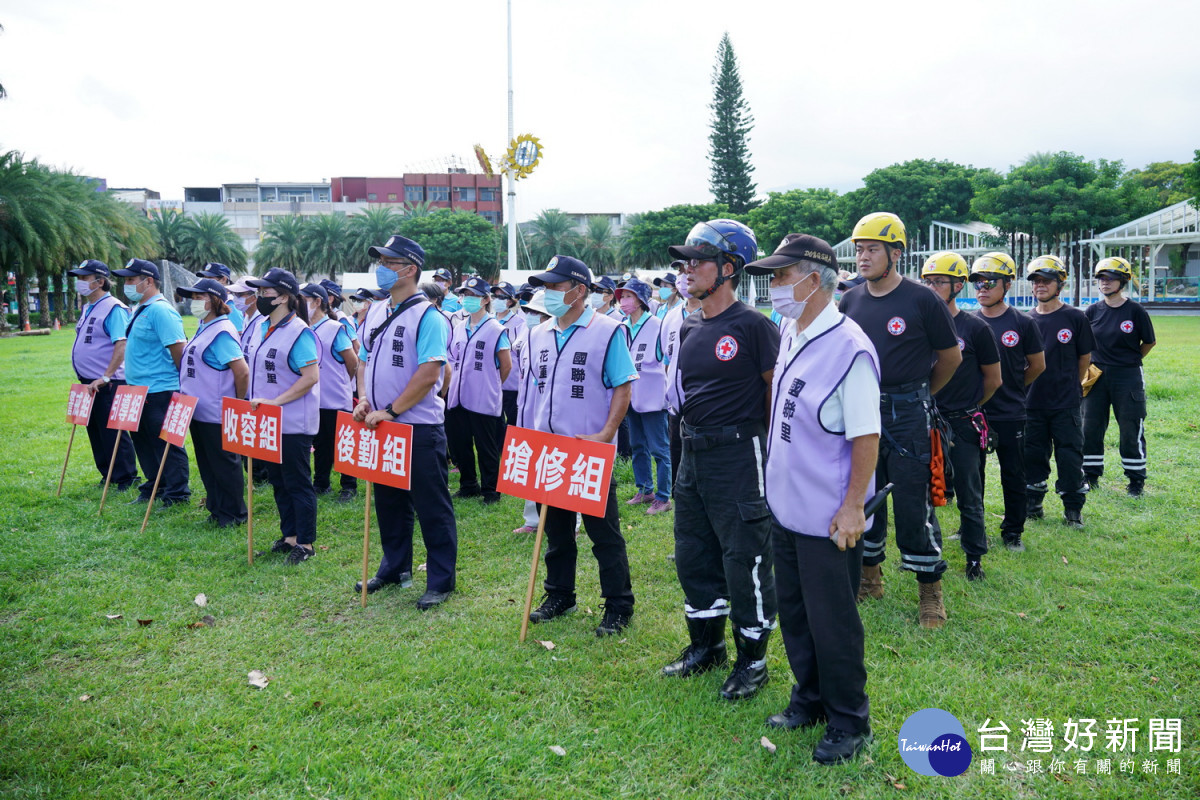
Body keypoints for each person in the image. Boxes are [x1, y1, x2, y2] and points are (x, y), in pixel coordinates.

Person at [749, 233, 879, 765]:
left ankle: (850, 720)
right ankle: (810, 698)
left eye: (781, 276)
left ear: (814, 279)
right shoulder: (792, 328)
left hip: (829, 514)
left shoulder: (850, 348)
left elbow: (865, 435)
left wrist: (852, 506)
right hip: (787, 504)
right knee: (796, 612)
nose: (774, 286)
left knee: (834, 621)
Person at [663, 218, 779, 700]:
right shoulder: (690, 322)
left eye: (698, 260)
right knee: (694, 549)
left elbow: (777, 393)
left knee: (745, 555)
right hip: (693, 452)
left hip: (739, 454)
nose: (686, 269)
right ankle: (705, 648)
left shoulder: (754, 326)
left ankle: (753, 660)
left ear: (729, 268)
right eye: (684, 260)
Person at [837, 214, 961, 629]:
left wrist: (920, 395)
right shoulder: (850, 300)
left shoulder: (922, 299)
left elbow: (950, 358)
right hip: (861, 411)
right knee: (864, 493)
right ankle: (870, 579)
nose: (863, 257)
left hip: (909, 413)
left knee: (913, 501)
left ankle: (930, 592)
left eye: (872, 249)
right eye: (859, 249)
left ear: (895, 253)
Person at [520, 255, 638, 637]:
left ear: (579, 291)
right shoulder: (538, 333)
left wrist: (606, 433)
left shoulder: (607, 331)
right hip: (548, 451)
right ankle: (559, 594)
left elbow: (623, 385)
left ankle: (618, 604)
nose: (547, 293)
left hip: (588, 450)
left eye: (554, 287)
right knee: (555, 531)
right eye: (545, 286)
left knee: (603, 534)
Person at [354, 235, 457, 610]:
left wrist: (393, 410)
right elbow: (364, 358)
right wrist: (365, 398)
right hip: (380, 424)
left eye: (388, 261)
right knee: (389, 501)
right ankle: (395, 567)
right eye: (379, 259)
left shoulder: (428, 316)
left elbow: (430, 372)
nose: (380, 267)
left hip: (417, 427)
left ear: (409, 269)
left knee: (431, 506)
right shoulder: (378, 311)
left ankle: (441, 580)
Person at [920, 253, 1001, 580]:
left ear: (958, 285)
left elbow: (993, 380)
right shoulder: (920, 325)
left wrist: (969, 406)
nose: (932, 287)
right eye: (928, 281)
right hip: (924, 418)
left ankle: (974, 557)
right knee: (923, 492)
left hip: (963, 422)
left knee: (970, 491)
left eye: (939, 281)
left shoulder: (975, 328)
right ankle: (925, 553)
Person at [245, 268, 321, 565]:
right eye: (259, 291)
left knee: (297, 482)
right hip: (267, 420)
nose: (260, 297)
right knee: (278, 480)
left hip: (292, 422)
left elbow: (310, 376)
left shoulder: (299, 331)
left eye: (266, 292)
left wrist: (276, 402)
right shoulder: (260, 326)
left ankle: (306, 542)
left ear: (285, 297)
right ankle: (289, 536)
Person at [971, 253, 1046, 552]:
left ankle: (1012, 532)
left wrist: (1013, 388)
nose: (982, 288)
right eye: (977, 282)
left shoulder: (1023, 324)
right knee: (971, 475)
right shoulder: (968, 322)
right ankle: (971, 526)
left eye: (989, 282)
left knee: (1013, 474)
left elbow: (1037, 366)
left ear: (1008, 285)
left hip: (1011, 412)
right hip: (973, 414)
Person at [112, 258, 191, 507]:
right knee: (144, 443)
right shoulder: (140, 308)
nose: (126, 284)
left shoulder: (161, 310)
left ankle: (177, 493)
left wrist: (182, 386)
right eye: (125, 280)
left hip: (160, 390)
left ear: (148, 281)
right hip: (137, 391)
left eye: (131, 280)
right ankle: (156, 485)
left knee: (166, 444)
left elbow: (178, 351)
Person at [1023, 255, 1094, 528]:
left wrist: (1071, 387)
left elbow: (1084, 358)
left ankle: (1073, 510)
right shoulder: (1026, 320)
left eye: (1046, 281)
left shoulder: (1075, 317)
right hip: (1032, 403)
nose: (1040, 286)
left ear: (1060, 284)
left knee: (1070, 455)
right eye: (1036, 281)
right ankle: (1033, 504)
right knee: (1032, 454)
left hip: (1065, 403)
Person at [177, 278, 249, 528]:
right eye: (193, 297)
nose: (194, 302)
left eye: (199, 297)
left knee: (224, 465)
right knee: (208, 464)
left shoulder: (222, 331)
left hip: (217, 412)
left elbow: (242, 372)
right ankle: (217, 509)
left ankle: (233, 513)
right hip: (198, 410)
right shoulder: (206, 326)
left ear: (215, 300)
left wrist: (236, 403)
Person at [1083, 257, 1156, 496]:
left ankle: (1136, 481)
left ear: (1122, 281)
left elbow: (1149, 342)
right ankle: (1090, 476)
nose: (1104, 283)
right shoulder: (1092, 310)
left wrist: (1130, 360)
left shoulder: (1135, 310)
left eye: (1110, 278)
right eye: (1101, 278)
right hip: (1096, 376)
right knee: (1091, 426)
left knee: (1130, 426)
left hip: (1128, 375)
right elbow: (1083, 345)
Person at [67, 259, 138, 492]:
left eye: (84, 278)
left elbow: (121, 344)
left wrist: (106, 376)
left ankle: (126, 477)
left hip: (108, 382)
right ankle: (107, 473)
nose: (80, 282)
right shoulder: (89, 307)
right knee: (96, 429)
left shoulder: (114, 308)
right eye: (78, 278)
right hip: (89, 382)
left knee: (113, 430)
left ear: (100, 281)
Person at [445, 276, 512, 505]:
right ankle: (468, 485)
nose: (467, 300)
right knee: (459, 444)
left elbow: (506, 365)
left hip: (483, 397)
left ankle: (491, 490)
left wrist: (490, 383)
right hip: (458, 396)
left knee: (486, 447)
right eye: (465, 295)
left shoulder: (496, 329)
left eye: (473, 296)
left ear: (485, 300)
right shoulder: (458, 327)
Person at [617, 277, 672, 515]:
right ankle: (645, 489)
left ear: (640, 300)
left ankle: (663, 496)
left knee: (659, 449)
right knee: (637, 445)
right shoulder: (621, 325)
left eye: (628, 296)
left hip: (652, 398)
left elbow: (668, 360)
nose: (623, 301)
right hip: (630, 397)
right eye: (622, 297)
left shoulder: (657, 325)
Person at [302, 283, 360, 503]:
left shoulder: (334, 328)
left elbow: (352, 362)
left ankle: (349, 486)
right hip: (315, 399)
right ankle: (321, 482)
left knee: (343, 443)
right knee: (322, 444)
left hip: (336, 398)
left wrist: (343, 382)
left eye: (304, 299)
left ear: (318, 302)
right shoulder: (304, 327)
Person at [660, 263, 701, 492]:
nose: (683, 278)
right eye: (679, 273)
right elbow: (667, 359)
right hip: (676, 406)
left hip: (703, 407)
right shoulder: (671, 317)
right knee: (678, 460)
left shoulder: (710, 314)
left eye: (688, 272)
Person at [491, 281, 527, 427]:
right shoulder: (488, 320)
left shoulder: (519, 322)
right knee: (494, 423)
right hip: (492, 381)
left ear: (510, 301)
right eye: (495, 296)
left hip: (512, 383)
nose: (497, 299)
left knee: (511, 422)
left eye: (502, 297)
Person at [195, 263, 245, 332]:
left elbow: (239, 332)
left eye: (209, 278)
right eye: (204, 278)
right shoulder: (210, 302)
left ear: (223, 279)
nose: (205, 281)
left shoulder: (229, 302)